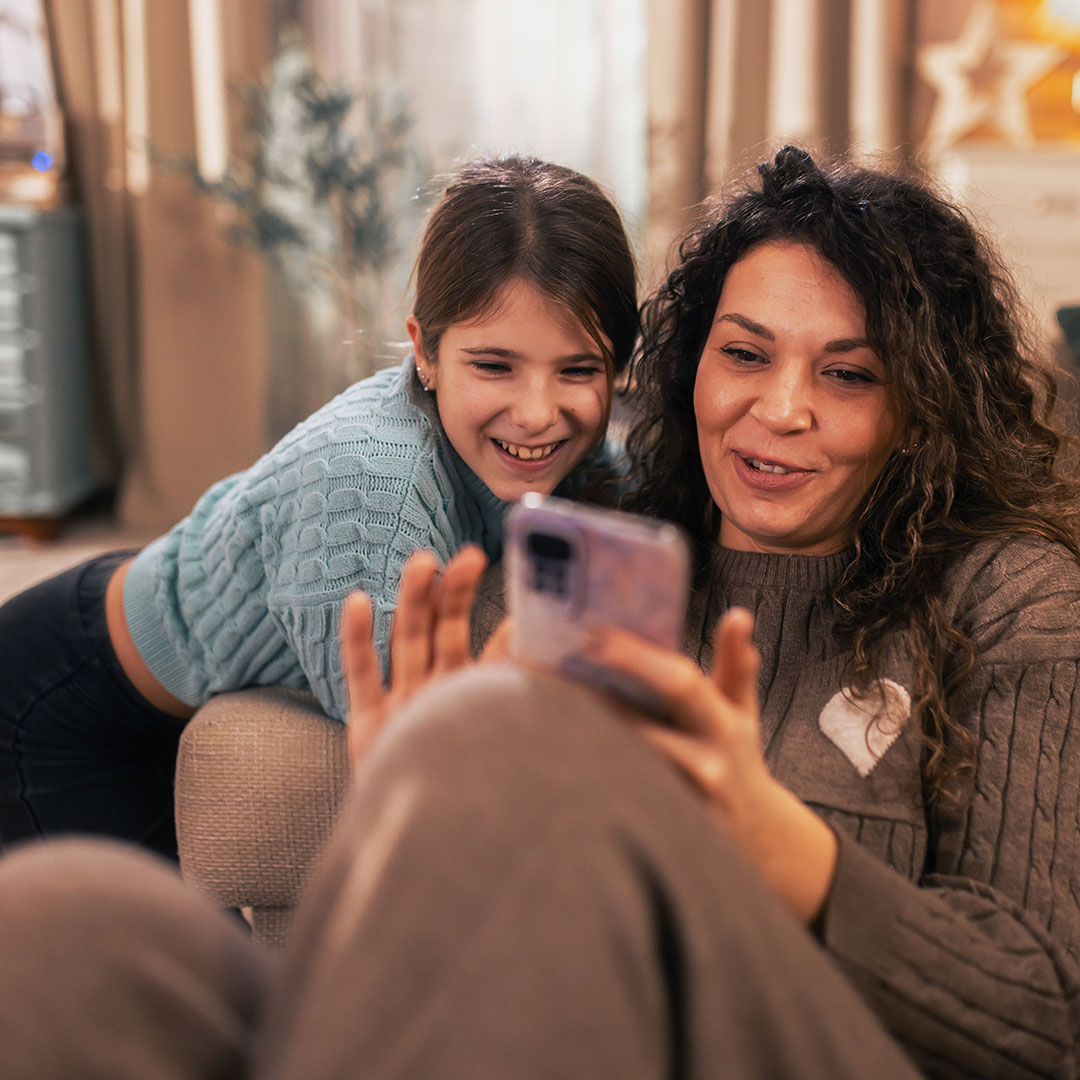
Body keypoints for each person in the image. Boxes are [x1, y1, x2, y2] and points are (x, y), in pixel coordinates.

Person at [2, 144, 1079, 1080]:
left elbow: (1043, 1018)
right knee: (67, 935)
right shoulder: (606, 557)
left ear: (922, 402)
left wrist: (778, 850)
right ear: (690, 370)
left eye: (848, 374)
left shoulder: (1011, 599)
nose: (780, 409)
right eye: (744, 354)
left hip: (788, 1041)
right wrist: (407, 810)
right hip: (566, 1021)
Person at [0, 154, 639, 858]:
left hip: (155, 597)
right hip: (59, 704)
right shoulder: (374, 491)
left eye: (578, 370)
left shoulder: (565, 444)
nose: (539, 414)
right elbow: (415, 736)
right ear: (424, 352)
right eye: (494, 366)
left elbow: (623, 493)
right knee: (168, 966)